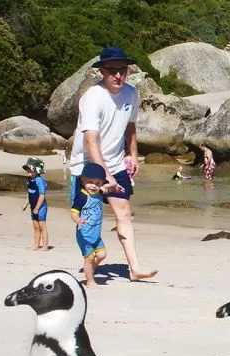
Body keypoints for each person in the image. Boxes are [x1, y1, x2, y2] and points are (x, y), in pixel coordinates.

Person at [69, 46, 157, 281]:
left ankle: (135, 268)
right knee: (90, 215)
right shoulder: (92, 98)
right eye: (112, 71)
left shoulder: (130, 94)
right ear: (102, 71)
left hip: (116, 162)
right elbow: (90, 139)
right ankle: (91, 259)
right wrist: (103, 174)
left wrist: (134, 154)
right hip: (87, 166)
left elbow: (130, 125)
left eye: (123, 70)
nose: (118, 75)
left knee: (124, 212)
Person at [70, 163, 110, 288]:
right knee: (89, 258)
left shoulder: (99, 194)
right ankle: (90, 281)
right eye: (90, 182)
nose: (94, 186)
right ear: (82, 180)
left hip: (96, 234)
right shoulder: (82, 197)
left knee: (102, 255)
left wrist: (114, 190)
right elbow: (73, 212)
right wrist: (78, 220)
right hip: (84, 235)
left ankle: (90, 269)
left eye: (98, 183)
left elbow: (108, 197)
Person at [21, 158, 49, 251]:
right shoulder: (29, 180)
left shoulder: (39, 180)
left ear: (36, 170)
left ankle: (45, 246)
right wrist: (25, 204)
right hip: (33, 207)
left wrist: (37, 208)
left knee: (42, 226)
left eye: (30, 169)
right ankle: (36, 244)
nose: (28, 171)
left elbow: (41, 195)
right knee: (36, 227)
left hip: (41, 207)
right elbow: (29, 193)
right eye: (27, 169)